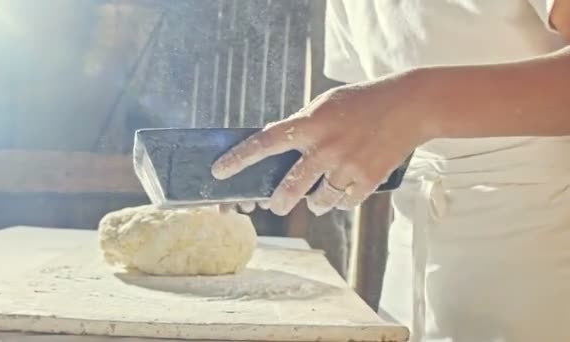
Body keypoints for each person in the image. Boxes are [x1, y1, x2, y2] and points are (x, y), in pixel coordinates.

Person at [212, 1, 570, 341]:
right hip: (410, 264)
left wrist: (418, 104)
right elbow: (370, 111)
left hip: (541, 271)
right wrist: (284, 161)